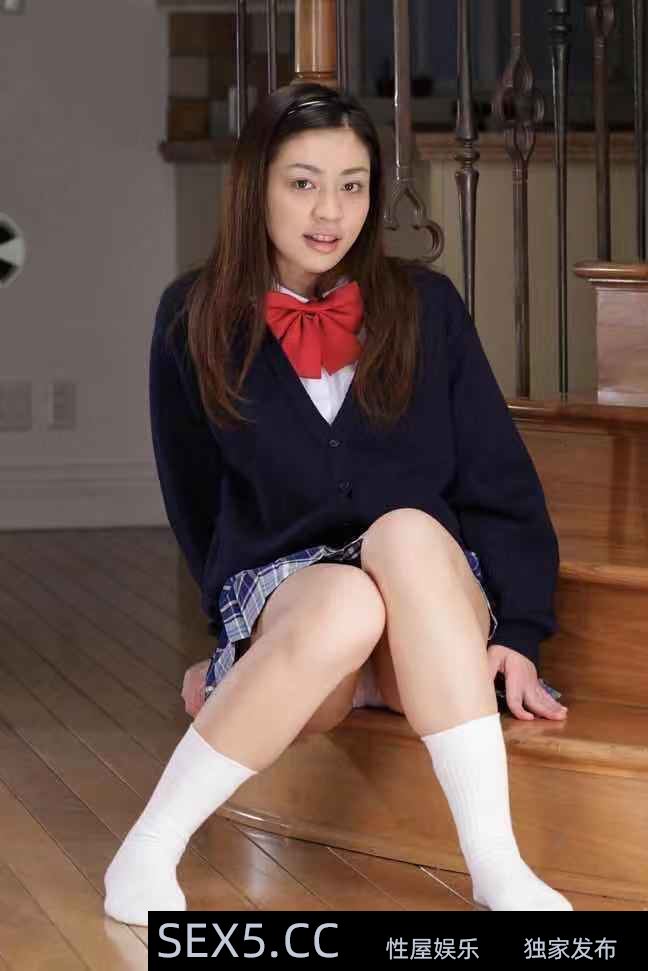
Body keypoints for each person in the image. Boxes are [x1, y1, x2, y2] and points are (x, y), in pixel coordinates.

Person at [103, 82, 572, 926]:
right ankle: (147, 849)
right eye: (304, 183)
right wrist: (231, 640)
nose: (331, 212)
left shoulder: (427, 308)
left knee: (404, 532)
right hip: (301, 606)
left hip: (429, 597)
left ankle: (497, 867)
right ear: (255, 186)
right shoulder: (193, 316)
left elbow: (499, 479)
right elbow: (196, 502)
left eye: (353, 186)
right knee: (347, 602)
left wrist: (521, 632)